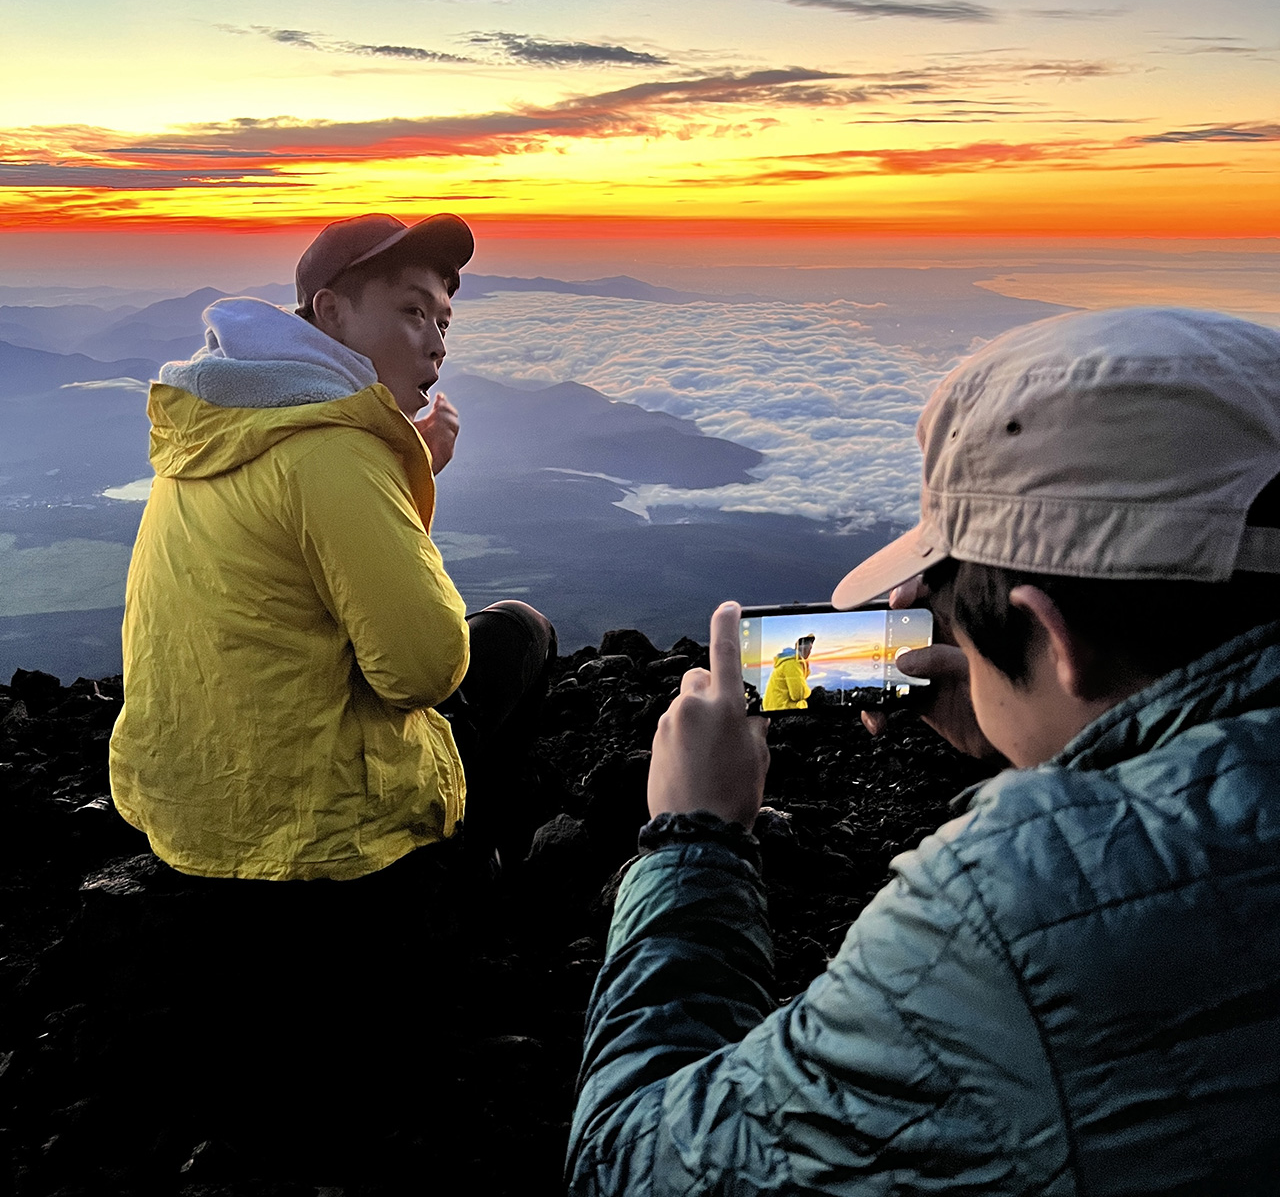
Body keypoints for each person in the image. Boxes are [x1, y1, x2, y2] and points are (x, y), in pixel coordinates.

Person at [568, 307, 1280, 1194]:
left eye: (954, 602)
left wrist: (694, 838)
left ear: (1053, 636)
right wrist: (1043, 731)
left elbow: (629, 1165)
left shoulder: (1007, 908)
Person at [109, 211, 555, 881]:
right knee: (522, 633)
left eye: (442, 322)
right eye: (412, 311)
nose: (436, 344)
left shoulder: (225, 421)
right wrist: (391, 474)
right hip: (318, 838)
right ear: (331, 311)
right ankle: (475, 867)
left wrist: (400, 472)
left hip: (190, 812)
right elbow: (422, 669)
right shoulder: (336, 451)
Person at [762, 633, 814, 710]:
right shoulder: (791, 663)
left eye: (810, 649)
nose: (809, 652)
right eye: (806, 648)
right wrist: (810, 692)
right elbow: (798, 694)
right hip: (780, 708)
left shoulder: (792, 661)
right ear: (799, 648)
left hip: (775, 705)